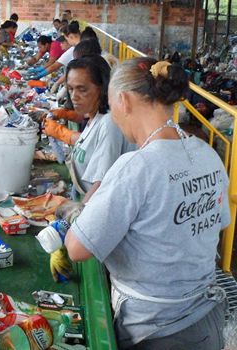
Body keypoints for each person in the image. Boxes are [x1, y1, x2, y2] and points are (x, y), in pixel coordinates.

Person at [64, 58, 228, 349]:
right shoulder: (206, 154)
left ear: (123, 100)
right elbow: (211, 225)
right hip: (207, 323)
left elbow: (77, 248)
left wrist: (76, 210)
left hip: (156, 331)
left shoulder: (135, 167)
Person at [44, 55, 133, 202]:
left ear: (102, 88)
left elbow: (102, 184)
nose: (74, 96)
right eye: (70, 89)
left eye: (82, 89)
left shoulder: (109, 122)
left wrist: (79, 215)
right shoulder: (95, 117)